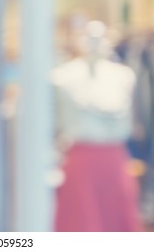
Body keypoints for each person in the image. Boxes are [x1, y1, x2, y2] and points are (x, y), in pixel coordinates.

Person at [52, 21, 142, 232]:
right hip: (80, 161)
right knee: (81, 221)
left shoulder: (124, 76)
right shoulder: (64, 76)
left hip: (114, 160)